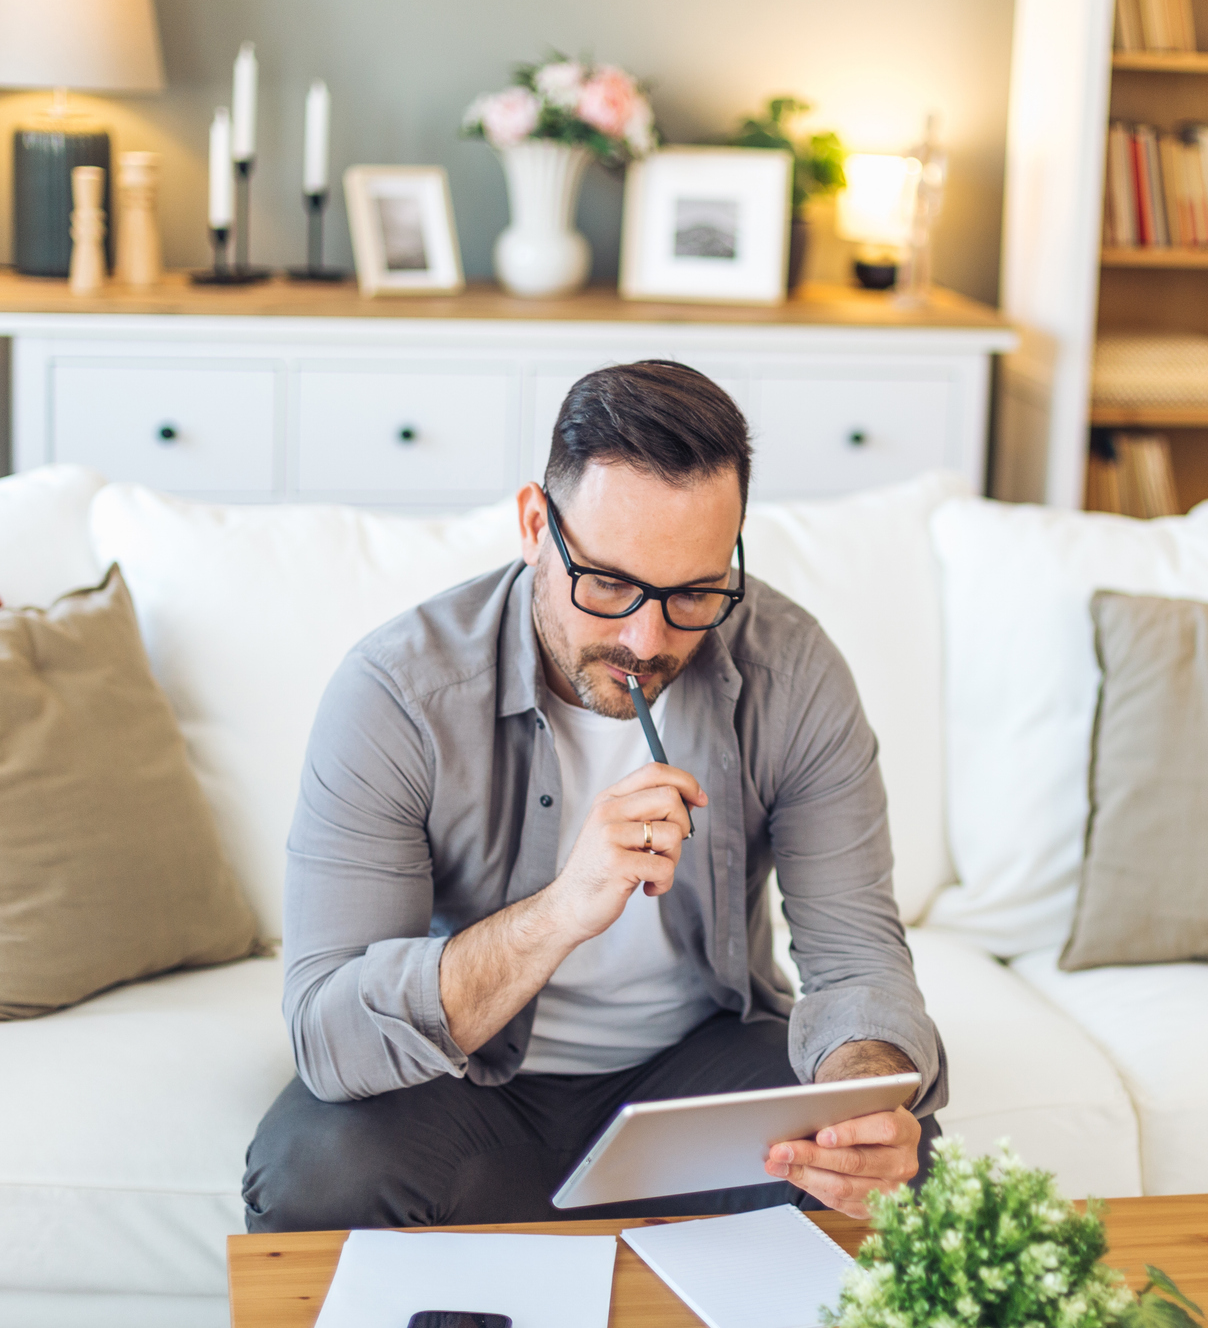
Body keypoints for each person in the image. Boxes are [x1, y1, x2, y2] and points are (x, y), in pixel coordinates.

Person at [242, 359, 946, 1231]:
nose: (645, 638)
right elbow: (326, 1030)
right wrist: (564, 907)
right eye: (607, 583)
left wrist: (859, 1101)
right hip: (460, 1089)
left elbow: (856, 960)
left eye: (693, 592)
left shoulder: (791, 671)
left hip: (696, 1075)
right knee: (316, 1175)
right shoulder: (397, 691)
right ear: (536, 524)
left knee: (893, 1171)